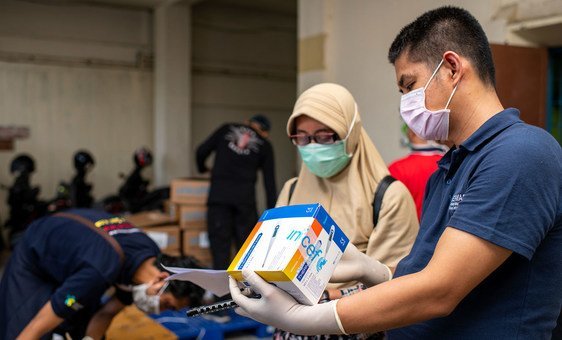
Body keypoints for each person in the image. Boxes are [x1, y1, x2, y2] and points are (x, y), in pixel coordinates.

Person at [228, 6, 562, 339]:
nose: (406, 106)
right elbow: (422, 275)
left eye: (410, 85)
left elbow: (439, 291)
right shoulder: (447, 169)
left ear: (451, 68)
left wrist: (304, 318)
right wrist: (375, 271)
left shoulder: (521, 153)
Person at [273, 83, 419, 338]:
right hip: (290, 329)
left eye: (324, 136)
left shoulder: (388, 196)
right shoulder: (292, 189)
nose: (313, 147)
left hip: (355, 327)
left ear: (349, 133)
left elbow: (397, 286)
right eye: (303, 138)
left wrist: (327, 298)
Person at [0, 209, 197, 339]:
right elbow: (42, 322)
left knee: (82, 328)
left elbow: (107, 312)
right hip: (37, 253)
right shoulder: (99, 270)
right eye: (166, 304)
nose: (160, 311)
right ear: (161, 278)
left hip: (79, 256)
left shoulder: (148, 258)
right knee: (29, 331)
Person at [196, 114, 277, 270]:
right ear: (265, 132)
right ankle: (246, 293)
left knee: (220, 253)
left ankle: (221, 294)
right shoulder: (265, 144)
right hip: (245, 204)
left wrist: (202, 169)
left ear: (247, 122)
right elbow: (270, 184)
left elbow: (201, 151)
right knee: (247, 255)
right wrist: (273, 218)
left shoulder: (226, 129)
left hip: (219, 200)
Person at [388, 124, 447, 220]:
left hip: (410, 232)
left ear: (411, 133)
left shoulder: (396, 168)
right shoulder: (451, 164)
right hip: (446, 232)